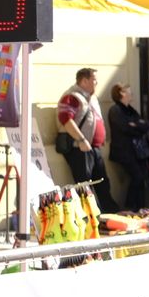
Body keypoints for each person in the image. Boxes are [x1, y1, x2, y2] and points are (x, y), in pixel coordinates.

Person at [57, 67, 120, 213]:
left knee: (102, 182)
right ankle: (87, 215)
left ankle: (108, 213)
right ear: (84, 81)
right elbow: (65, 119)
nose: (97, 83)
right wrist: (81, 140)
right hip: (80, 148)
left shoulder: (90, 97)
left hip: (93, 148)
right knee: (84, 185)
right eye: (94, 80)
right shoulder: (72, 96)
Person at [106, 83, 149, 211]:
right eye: (129, 91)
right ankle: (130, 206)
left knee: (142, 177)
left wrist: (136, 125)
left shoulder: (131, 110)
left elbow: (145, 126)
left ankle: (141, 207)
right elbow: (125, 128)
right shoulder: (115, 110)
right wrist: (136, 126)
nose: (131, 94)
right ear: (121, 93)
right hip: (124, 151)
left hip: (138, 151)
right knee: (137, 176)